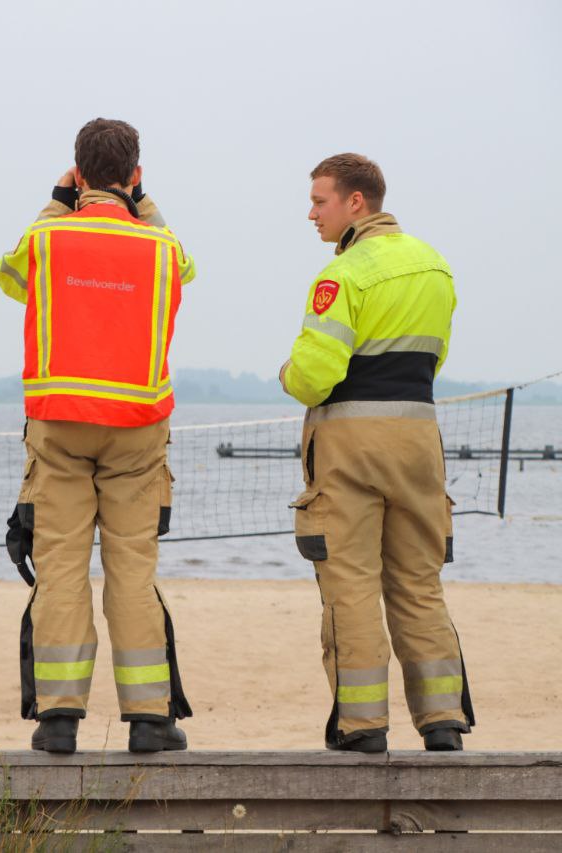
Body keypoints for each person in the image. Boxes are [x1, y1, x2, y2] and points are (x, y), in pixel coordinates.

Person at [0, 118, 195, 754]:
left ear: (77, 174)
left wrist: (57, 202)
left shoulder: (48, 238)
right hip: (138, 428)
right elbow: (184, 267)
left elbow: (10, 277)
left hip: (59, 426)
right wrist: (145, 203)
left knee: (60, 570)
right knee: (133, 572)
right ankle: (150, 719)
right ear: (135, 177)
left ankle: (59, 719)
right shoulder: (160, 248)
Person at [280, 153, 471, 753]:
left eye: (320, 201)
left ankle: (363, 726)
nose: (311, 214)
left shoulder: (343, 276)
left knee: (352, 586)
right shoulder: (435, 266)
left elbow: (315, 375)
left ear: (355, 202)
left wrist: (288, 374)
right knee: (419, 582)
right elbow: (434, 359)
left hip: (351, 446)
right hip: (419, 440)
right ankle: (442, 722)